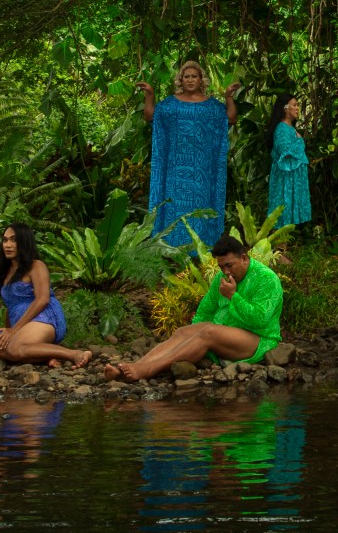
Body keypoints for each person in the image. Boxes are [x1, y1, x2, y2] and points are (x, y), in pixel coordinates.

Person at [104, 236, 283, 382]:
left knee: (209, 331)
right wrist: (192, 337)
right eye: (221, 267)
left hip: (258, 339)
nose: (226, 271)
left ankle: (149, 370)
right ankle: (135, 367)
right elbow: (205, 311)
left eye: (229, 265)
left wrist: (232, 296)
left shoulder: (267, 279)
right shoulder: (221, 277)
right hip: (227, 333)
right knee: (183, 332)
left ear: (244, 258)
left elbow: (260, 319)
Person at [138, 60, 239, 247]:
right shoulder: (170, 105)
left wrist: (229, 98)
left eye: (194, 76)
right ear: (180, 80)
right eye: (186, 76)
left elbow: (230, 118)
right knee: (174, 206)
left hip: (202, 169)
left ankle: (200, 248)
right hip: (176, 170)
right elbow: (150, 116)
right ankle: (171, 248)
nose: (190, 79)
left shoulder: (212, 106)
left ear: (201, 80)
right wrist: (150, 96)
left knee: (200, 206)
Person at [0, 224, 92, 367]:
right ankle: (43, 356)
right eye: (5, 240)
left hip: (45, 318)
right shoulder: (5, 271)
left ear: (24, 242)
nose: (8, 245)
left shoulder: (36, 266)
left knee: (13, 349)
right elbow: (10, 306)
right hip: (21, 325)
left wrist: (14, 330)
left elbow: (43, 299)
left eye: (14, 240)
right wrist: (8, 330)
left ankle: (74, 354)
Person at [263, 92, 313, 230]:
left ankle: (285, 244)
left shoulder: (289, 128)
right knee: (283, 206)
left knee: (289, 207)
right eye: (295, 105)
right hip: (285, 178)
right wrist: (299, 141)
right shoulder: (281, 129)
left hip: (291, 177)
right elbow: (284, 150)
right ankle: (280, 246)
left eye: (298, 105)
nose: (297, 108)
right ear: (285, 108)